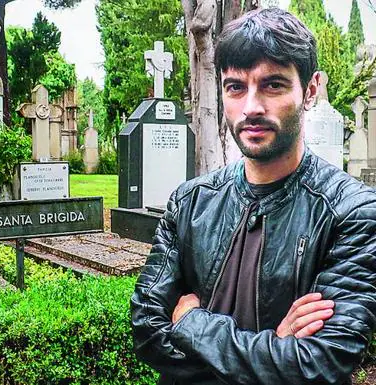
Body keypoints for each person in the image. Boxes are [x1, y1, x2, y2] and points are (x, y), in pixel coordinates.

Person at [130, 7, 376, 385]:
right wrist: (274, 349)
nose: (251, 107)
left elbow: (320, 362)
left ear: (310, 90)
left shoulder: (350, 212)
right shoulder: (190, 203)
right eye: (236, 87)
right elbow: (147, 330)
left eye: (273, 85)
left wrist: (192, 324)